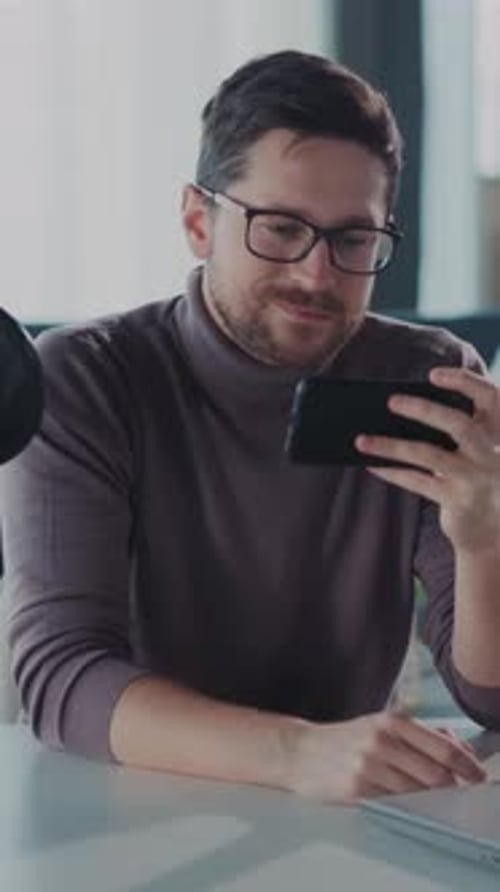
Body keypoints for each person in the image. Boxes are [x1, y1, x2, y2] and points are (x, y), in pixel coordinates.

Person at [2, 49, 500, 804]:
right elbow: (62, 677)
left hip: (348, 818)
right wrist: (298, 753)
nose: (316, 274)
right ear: (198, 221)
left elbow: (488, 700)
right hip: (125, 805)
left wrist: (486, 542)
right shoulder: (85, 374)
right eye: (279, 227)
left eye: (353, 240)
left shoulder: (428, 375)